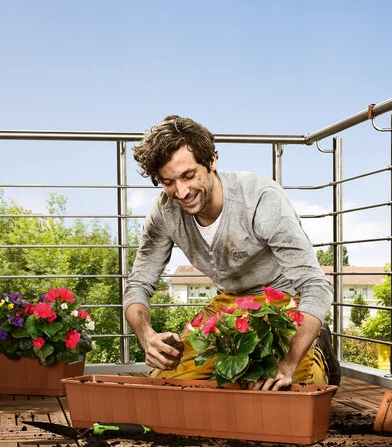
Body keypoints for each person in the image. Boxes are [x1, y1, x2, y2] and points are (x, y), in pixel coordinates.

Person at [124, 115, 340, 391]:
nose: (181, 191)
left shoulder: (261, 198)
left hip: (285, 304)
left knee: (290, 391)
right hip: (228, 305)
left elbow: (315, 286)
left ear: (212, 160)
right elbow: (138, 284)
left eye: (189, 176)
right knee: (168, 384)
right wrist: (146, 336)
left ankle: (317, 345)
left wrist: (287, 363)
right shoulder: (164, 212)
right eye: (168, 182)